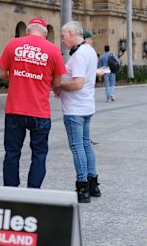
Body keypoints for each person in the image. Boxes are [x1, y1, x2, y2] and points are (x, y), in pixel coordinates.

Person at [0, 17, 66, 188]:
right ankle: (33, 192)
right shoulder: (53, 50)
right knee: (39, 154)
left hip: (15, 109)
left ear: (27, 31)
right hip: (40, 111)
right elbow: (57, 83)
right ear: (45, 33)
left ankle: (11, 191)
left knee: (12, 153)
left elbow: (1, 74)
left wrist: (17, 79)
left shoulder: (13, 44)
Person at [57, 21, 101, 203]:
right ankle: (93, 184)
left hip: (76, 108)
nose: (61, 39)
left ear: (72, 33)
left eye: (63, 35)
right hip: (86, 105)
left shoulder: (81, 54)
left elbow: (77, 83)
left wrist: (58, 84)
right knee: (85, 144)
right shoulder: (88, 51)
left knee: (77, 146)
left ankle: (82, 186)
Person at [83, 30, 100, 146]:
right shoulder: (87, 52)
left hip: (86, 96)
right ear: (85, 39)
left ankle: (86, 138)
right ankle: (86, 138)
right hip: (85, 97)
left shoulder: (87, 52)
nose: (92, 40)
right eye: (90, 38)